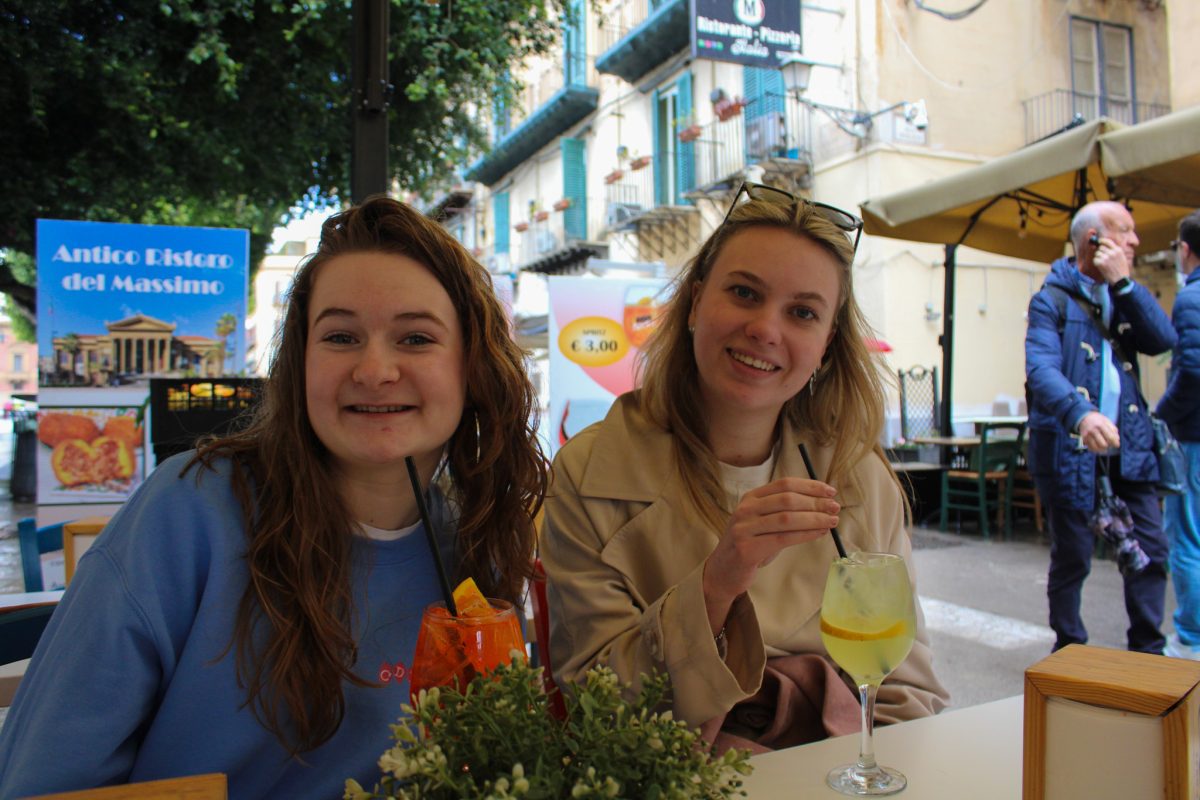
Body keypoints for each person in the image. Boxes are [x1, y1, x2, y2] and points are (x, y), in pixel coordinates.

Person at [0, 197, 548, 797]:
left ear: (472, 368)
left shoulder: (473, 545)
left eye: (416, 338)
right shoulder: (189, 515)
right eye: (340, 336)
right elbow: (44, 780)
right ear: (300, 363)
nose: (374, 370)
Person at [540, 182, 948, 746]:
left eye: (802, 312)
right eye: (744, 292)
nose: (765, 329)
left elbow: (906, 692)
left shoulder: (857, 476)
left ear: (826, 344)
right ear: (695, 303)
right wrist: (715, 586)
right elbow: (598, 708)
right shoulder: (588, 474)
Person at [1025, 200, 1176, 655]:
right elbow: (1041, 368)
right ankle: (1070, 650)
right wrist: (1081, 414)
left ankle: (1148, 652)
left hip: (1129, 446)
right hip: (1070, 449)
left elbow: (1163, 341)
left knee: (1152, 549)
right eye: (1124, 230)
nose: (1135, 241)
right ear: (1092, 239)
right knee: (1073, 557)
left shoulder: (1123, 294)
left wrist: (1125, 285)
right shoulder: (1050, 300)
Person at [1157, 210, 1200, 660]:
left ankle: (1191, 637)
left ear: (1185, 249)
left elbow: (1192, 371)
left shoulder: (1190, 298)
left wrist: (1161, 414)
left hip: (1193, 435)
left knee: (1187, 535)